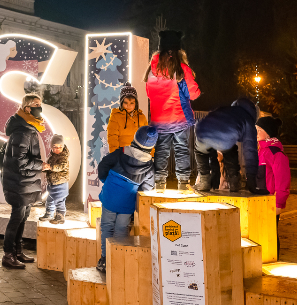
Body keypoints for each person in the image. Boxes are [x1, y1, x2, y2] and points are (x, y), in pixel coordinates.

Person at [95, 126, 158, 273]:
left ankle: (104, 259)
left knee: (107, 226)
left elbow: (103, 165)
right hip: (127, 202)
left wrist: (106, 179)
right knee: (121, 229)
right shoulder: (149, 166)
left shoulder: (120, 152)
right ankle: (118, 260)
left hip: (110, 195)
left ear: (135, 139)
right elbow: (146, 189)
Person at [144, 30, 201, 190]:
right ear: (178, 49)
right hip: (179, 117)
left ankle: (159, 182)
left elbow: (149, 93)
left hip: (159, 119)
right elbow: (193, 93)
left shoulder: (152, 69)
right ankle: (183, 182)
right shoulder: (181, 68)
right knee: (181, 149)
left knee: (161, 150)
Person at [1, 93, 51, 269]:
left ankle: (18, 252)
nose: (40, 108)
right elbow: (20, 161)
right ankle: (8, 255)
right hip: (18, 182)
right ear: (27, 109)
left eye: (40, 104)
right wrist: (41, 165)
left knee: (23, 217)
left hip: (26, 181)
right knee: (16, 218)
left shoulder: (29, 127)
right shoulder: (22, 131)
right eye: (36, 104)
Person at [192, 98, 267, 194]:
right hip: (225, 136)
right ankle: (234, 181)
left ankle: (204, 179)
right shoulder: (247, 120)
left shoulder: (225, 110)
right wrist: (251, 181)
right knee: (230, 149)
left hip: (202, 130)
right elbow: (250, 152)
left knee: (200, 152)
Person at [256, 115, 290, 255]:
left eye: (259, 129)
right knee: (259, 233)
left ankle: (273, 258)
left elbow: (282, 179)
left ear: (268, 133)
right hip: (258, 200)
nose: (256, 132)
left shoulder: (275, 153)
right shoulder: (262, 151)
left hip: (269, 201)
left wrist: (278, 204)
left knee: (270, 234)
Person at [106, 83, 148, 153]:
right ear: (121, 102)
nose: (129, 106)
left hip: (138, 155)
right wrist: (115, 155)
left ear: (136, 103)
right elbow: (112, 138)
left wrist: (150, 155)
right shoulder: (116, 116)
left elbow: (147, 138)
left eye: (132, 103)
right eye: (126, 103)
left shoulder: (141, 117)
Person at [40, 135, 70, 224]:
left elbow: (60, 167)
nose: (58, 149)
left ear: (63, 147)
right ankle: (49, 213)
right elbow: (50, 169)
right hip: (52, 183)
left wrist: (50, 167)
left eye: (60, 147)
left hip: (60, 184)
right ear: (51, 147)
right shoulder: (52, 157)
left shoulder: (64, 157)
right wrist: (45, 168)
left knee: (59, 200)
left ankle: (60, 216)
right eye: (55, 147)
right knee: (50, 200)